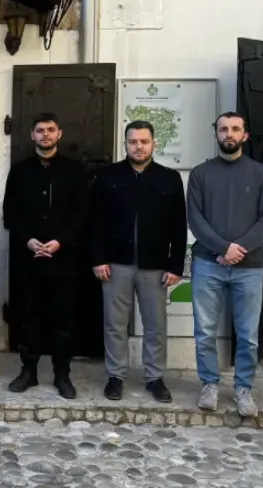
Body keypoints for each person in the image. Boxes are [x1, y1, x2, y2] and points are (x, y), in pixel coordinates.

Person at [91, 121, 186, 403]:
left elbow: (179, 225)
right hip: (115, 263)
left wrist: (175, 265)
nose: (139, 146)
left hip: (154, 265)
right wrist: (98, 258)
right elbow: (95, 221)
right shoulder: (108, 176)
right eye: (133, 141)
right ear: (125, 144)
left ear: (154, 144)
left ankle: (155, 377)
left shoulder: (169, 179)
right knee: (114, 324)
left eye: (144, 141)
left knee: (155, 325)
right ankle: (116, 376)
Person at [188, 112, 263, 417]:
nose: (229, 134)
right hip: (207, 263)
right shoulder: (200, 174)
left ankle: (243, 389)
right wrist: (224, 248)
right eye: (223, 129)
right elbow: (196, 220)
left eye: (235, 129)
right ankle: (209, 384)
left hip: (250, 266)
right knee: (205, 332)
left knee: (248, 334)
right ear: (216, 134)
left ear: (245, 135)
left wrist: (238, 250)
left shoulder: (262, 174)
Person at [3, 112, 88, 399]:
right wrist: (28, 240)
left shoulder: (75, 171)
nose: (45, 135)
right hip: (28, 260)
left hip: (63, 260)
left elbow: (82, 213)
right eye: (40, 130)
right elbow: (10, 212)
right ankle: (28, 371)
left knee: (63, 321)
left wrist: (59, 241)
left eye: (51, 130)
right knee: (28, 318)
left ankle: (62, 375)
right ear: (32, 135)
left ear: (59, 134)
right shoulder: (20, 171)